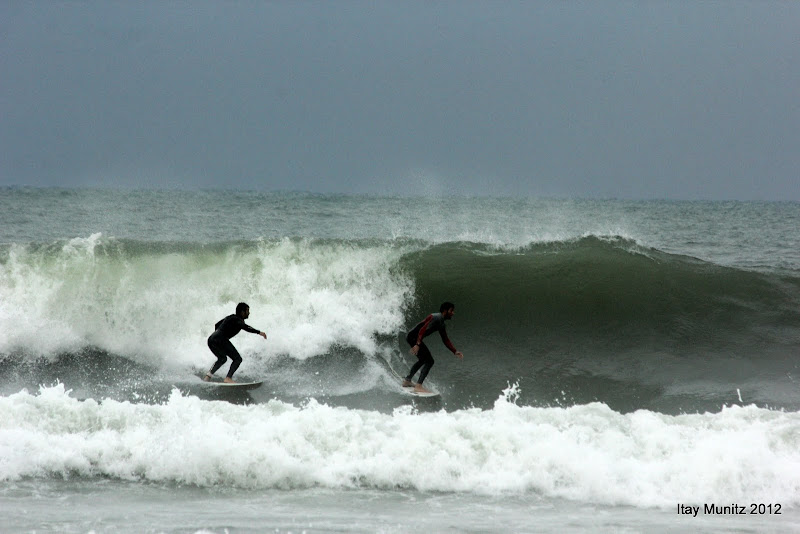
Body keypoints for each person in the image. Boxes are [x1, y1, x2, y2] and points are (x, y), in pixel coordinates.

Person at [403, 301, 464, 393]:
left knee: (423, 360)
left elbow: (445, 339)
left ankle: (407, 381)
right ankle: (418, 386)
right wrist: (418, 344)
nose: (453, 313)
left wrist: (454, 351)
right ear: (445, 311)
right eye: (451, 310)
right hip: (414, 337)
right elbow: (422, 329)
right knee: (429, 361)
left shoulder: (441, 323)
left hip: (414, 337)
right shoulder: (435, 317)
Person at [204, 302, 267, 383]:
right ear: (242, 312)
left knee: (222, 358)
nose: (249, 313)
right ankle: (228, 378)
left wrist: (219, 333)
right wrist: (259, 332)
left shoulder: (231, 317)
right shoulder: (238, 320)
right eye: (247, 311)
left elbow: (216, 325)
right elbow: (246, 327)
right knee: (237, 359)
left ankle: (207, 377)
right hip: (220, 339)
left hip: (211, 339)